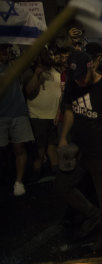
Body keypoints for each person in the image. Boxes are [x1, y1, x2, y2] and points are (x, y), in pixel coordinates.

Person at [54, 50, 102, 251]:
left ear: (91, 67)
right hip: (78, 148)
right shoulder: (73, 84)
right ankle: (93, 216)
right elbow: (69, 111)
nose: (79, 83)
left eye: (81, 78)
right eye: (75, 79)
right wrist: (63, 138)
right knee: (63, 184)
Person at [0, 43, 35, 196]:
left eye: (7, 49)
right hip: (1, 114)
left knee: (19, 149)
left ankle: (18, 182)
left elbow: (29, 57)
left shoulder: (14, 65)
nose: (6, 52)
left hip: (18, 112)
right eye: (2, 50)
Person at [22, 48, 62, 176]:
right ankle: (36, 173)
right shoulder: (31, 72)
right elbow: (29, 91)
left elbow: (61, 95)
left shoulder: (57, 73)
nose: (50, 56)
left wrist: (58, 112)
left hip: (53, 116)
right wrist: (37, 74)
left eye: (51, 54)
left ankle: (55, 171)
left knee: (51, 144)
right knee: (39, 148)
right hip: (37, 116)